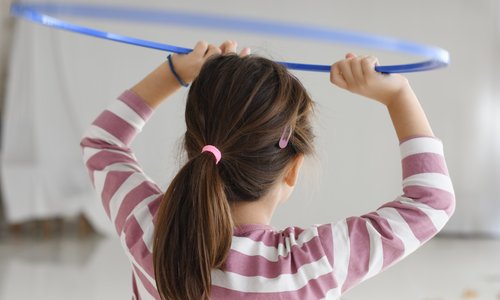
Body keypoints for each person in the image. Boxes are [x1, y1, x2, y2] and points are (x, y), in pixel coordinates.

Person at [81, 40, 455, 300]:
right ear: (292, 169)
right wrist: (398, 95)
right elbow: (432, 202)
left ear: (196, 147)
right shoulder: (313, 263)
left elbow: (102, 142)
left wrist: (175, 72)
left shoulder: (147, 227)